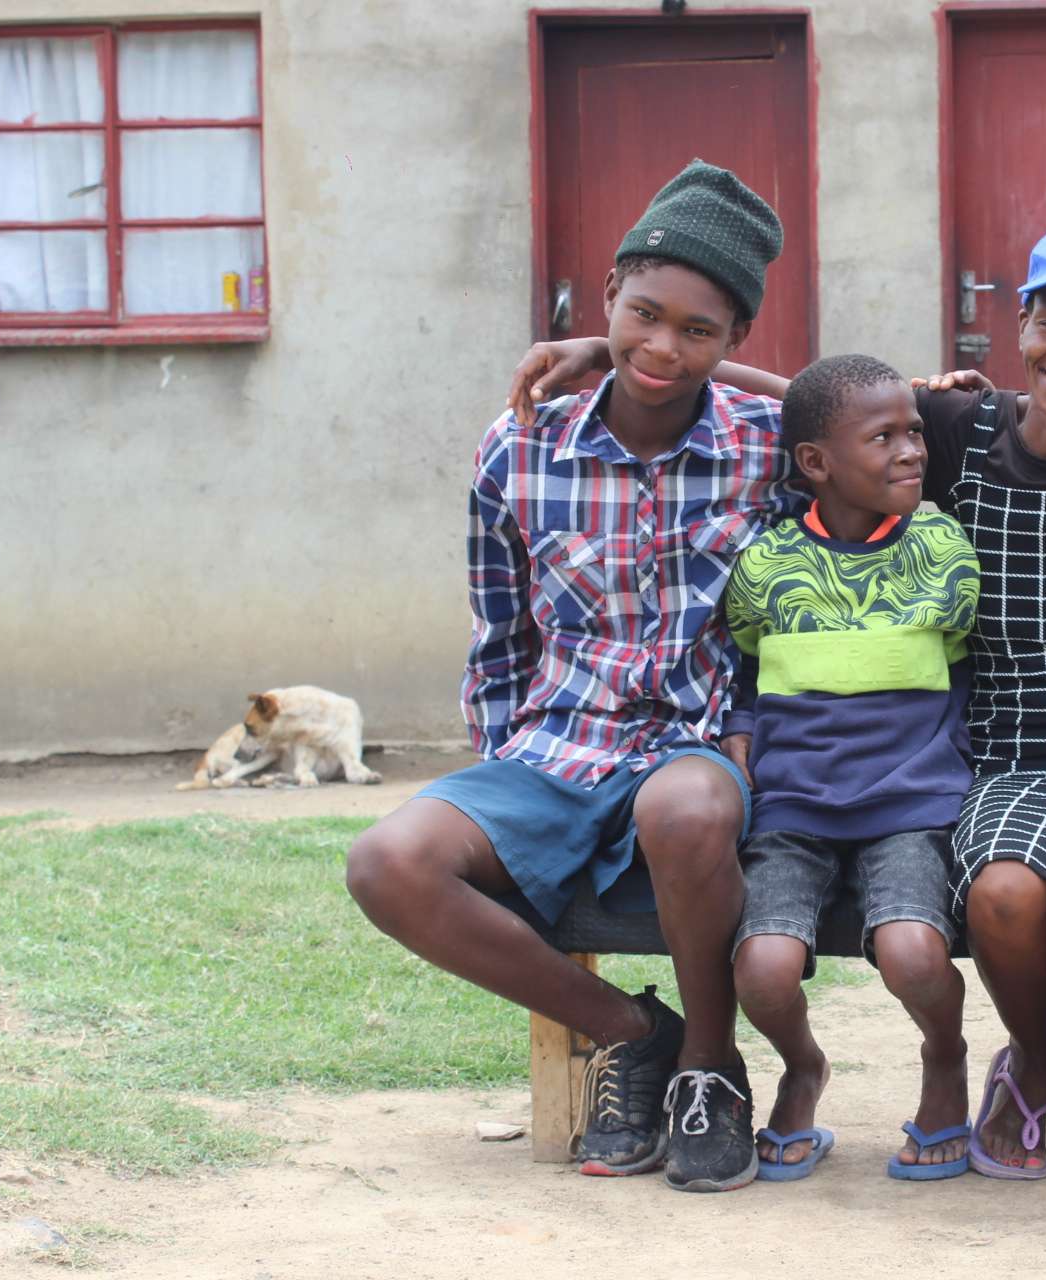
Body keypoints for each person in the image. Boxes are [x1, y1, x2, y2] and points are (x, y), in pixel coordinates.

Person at [503, 221, 1046, 1182]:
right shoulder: (963, 432)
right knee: (1004, 898)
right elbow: (823, 403)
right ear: (1019, 326)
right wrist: (622, 361)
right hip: (1001, 749)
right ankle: (1026, 1059)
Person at [344, 159, 801, 1195]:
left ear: (734, 343)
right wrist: (506, 771)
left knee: (685, 812)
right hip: (557, 744)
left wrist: (622, 352)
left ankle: (710, 1069)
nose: (662, 347)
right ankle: (639, 1033)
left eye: (699, 330)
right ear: (608, 292)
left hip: (694, 738)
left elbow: (885, 407)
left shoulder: (769, 443)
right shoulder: (520, 444)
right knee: (386, 861)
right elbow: (499, 628)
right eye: (641, 315)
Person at [720, 354, 980, 1182]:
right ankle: (802, 1064)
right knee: (761, 970)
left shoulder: (944, 548)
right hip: (793, 806)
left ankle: (945, 1056)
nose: (912, 450)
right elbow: (749, 674)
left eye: (915, 432)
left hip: (911, 804)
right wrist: (740, 737)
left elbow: (970, 672)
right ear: (815, 464)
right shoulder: (766, 566)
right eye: (885, 437)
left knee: (910, 951)